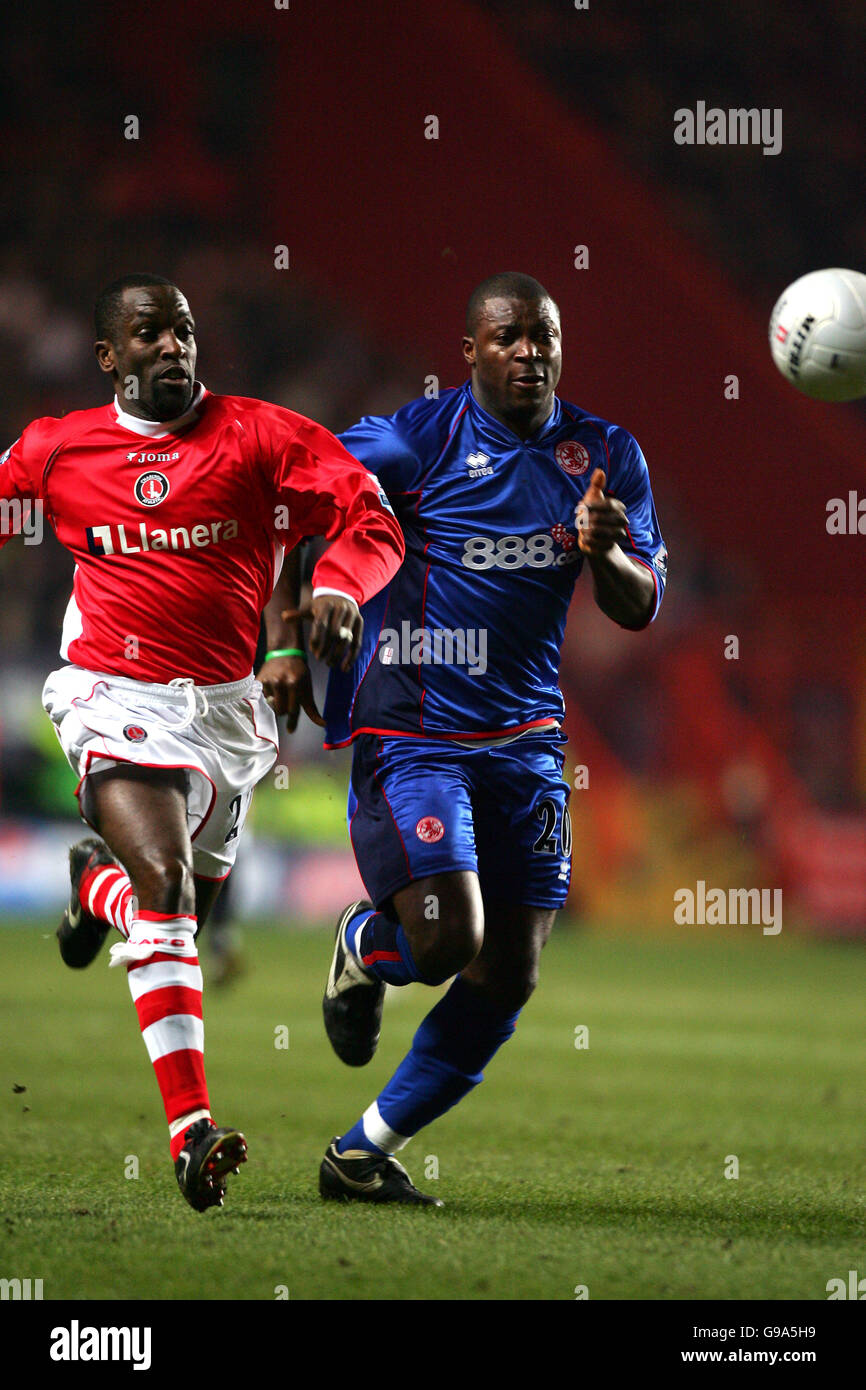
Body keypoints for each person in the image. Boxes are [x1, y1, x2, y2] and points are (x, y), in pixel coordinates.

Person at [0, 273, 404, 1211]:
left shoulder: (262, 436)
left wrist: (332, 592)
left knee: (186, 900)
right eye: (150, 334)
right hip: (110, 692)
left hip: (226, 714)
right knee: (173, 892)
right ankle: (191, 1133)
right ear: (110, 357)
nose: (174, 347)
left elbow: (366, 515)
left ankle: (89, 885)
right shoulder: (61, 450)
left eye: (183, 330)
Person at [278, 271, 667, 1205]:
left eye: (543, 336)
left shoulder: (606, 456)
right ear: (471, 350)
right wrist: (293, 634)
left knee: (511, 969)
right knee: (450, 938)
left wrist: (604, 550)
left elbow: (641, 606)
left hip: (528, 737)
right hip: (415, 727)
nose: (529, 352)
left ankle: (362, 1152)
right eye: (508, 337)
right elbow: (307, 503)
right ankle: (369, 943)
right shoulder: (417, 437)